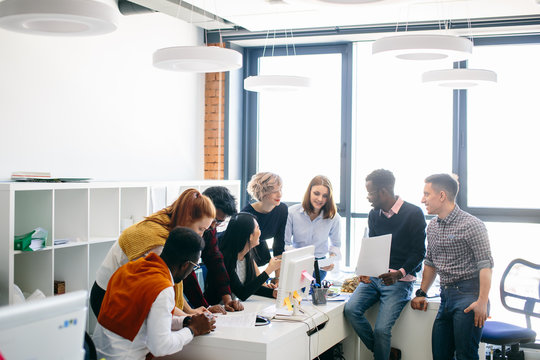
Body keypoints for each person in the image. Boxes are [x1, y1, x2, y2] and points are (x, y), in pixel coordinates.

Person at [93, 227, 216, 360]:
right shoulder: (162, 288)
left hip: (98, 354)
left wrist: (186, 321)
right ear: (186, 265)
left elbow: (149, 321)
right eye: (195, 266)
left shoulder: (131, 268)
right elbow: (160, 346)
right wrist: (193, 330)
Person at [90, 188, 216, 318]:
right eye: (200, 229)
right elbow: (157, 292)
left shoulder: (169, 222)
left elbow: (170, 281)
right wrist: (187, 318)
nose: (200, 236)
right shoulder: (158, 244)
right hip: (108, 296)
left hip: (126, 293)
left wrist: (189, 311)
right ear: (188, 217)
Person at [344, 169, 426, 360]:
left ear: (383, 192)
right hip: (374, 278)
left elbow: (419, 253)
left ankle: (381, 353)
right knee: (350, 310)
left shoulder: (413, 213)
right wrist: (365, 270)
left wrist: (399, 273)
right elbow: (373, 246)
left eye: (370, 192)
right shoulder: (374, 214)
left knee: (381, 330)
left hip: (400, 281)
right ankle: (385, 354)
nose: (368, 197)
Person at [411, 174, 493, 360]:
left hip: (469, 295)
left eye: (426, 194)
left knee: (465, 355)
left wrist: (482, 302)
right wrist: (422, 293)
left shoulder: (472, 225)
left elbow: (485, 266)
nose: (422, 199)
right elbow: (430, 262)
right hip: (446, 297)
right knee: (440, 354)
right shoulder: (432, 226)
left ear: (442, 195)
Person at [183, 186, 244, 311]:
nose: (213, 225)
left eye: (219, 222)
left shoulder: (210, 228)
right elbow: (186, 272)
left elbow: (215, 260)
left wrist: (227, 299)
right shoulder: (186, 226)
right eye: (214, 220)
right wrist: (205, 307)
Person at [284, 175, 341, 281]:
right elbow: (285, 244)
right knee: (298, 294)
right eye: (316, 193)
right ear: (309, 192)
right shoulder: (291, 213)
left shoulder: (334, 217)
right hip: (296, 264)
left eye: (325, 196)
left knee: (313, 293)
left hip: (319, 267)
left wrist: (331, 260)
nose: (320, 199)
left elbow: (335, 246)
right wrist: (299, 259)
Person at [219, 212, 282, 301]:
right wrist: (269, 270)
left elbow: (250, 288)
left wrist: (272, 293)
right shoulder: (225, 259)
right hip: (217, 309)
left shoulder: (247, 255)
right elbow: (242, 293)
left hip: (232, 309)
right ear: (250, 236)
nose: (260, 232)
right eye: (258, 228)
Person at [242, 172, 288, 278]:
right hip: (243, 257)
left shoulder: (282, 209)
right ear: (262, 192)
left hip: (260, 254)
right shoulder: (247, 214)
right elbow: (246, 252)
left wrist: (277, 279)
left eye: (280, 189)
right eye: (275, 191)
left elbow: (279, 246)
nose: (279, 195)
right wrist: (261, 281)